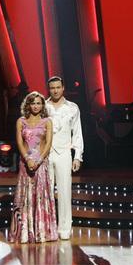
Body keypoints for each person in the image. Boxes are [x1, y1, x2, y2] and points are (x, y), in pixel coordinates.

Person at [9, 91, 58, 243]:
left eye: (38, 103)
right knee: (25, 197)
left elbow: (48, 144)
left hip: (41, 163)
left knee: (41, 196)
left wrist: (38, 160)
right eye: (33, 103)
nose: (36, 106)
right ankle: (24, 232)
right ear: (28, 105)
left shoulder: (47, 121)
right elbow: (19, 142)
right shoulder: (21, 121)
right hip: (25, 163)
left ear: (42, 105)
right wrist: (28, 159)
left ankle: (41, 231)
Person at [45, 76, 84, 240]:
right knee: (46, 192)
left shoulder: (72, 108)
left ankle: (65, 228)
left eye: (58, 87)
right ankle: (47, 227)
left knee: (64, 191)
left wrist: (78, 156)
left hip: (64, 153)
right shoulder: (43, 106)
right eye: (52, 87)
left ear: (63, 88)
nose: (55, 90)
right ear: (49, 89)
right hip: (46, 154)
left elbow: (77, 132)